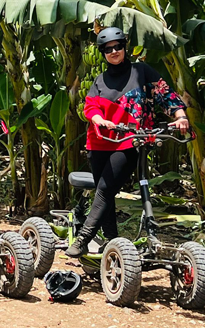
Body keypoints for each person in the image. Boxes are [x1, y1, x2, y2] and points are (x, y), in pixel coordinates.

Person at [65, 27, 189, 257]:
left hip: (131, 141)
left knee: (104, 188)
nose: (114, 52)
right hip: (99, 141)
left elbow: (166, 94)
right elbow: (89, 107)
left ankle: (84, 238)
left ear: (125, 47)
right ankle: (112, 244)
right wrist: (99, 119)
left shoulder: (141, 71)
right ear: (102, 53)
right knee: (107, 192)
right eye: (108, 49)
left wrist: (180, 116)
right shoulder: (100, 80)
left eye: (117, 47)